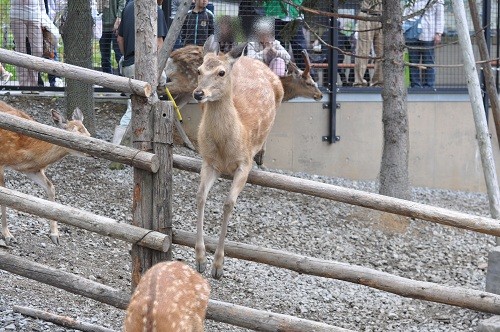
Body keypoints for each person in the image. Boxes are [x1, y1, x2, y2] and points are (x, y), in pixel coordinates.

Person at [113, 0, 168, 144]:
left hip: (128, 62)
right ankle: (118, 146)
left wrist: (128, 59)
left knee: (141, 103)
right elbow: (159, 42)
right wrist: (158, 68)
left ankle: (141, 142)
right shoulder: (156, 9)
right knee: (135, 107)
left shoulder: (128, 7)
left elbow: (120, 39)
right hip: (147, 64)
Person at [404, 0, 444, 89]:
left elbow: (440, 16)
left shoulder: (438, 1)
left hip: (428, 34)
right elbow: (406, 12)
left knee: (428, 62)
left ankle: (429, 86)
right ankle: (415, 86)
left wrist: (438, 33)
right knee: (413, 62)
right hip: (412, 33)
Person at [263, 0, 307, 70]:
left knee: (300, 48)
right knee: (276, 49)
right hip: (275, 13)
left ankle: (307, 76)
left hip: (295, 14)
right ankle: (277, 76)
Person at [10, 0, 45, 87]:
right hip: (17, 15)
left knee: (38, 50)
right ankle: (24, 84)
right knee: (20, 51)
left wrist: (43, 18)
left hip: (35, 16)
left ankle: (34, 84)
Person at [353, 0, 383, 87]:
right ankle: (359, 82)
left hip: (382, 17)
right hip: (366, 15)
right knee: (363, 52)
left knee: (382, 53)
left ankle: (378, 82)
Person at [98, 0, 125, 75]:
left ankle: (122, 78)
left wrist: (119, 18)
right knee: (104, 56)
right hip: (102, 26)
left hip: (116, 25)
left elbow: (122, 3)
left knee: (119, 54)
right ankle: (107, 79)